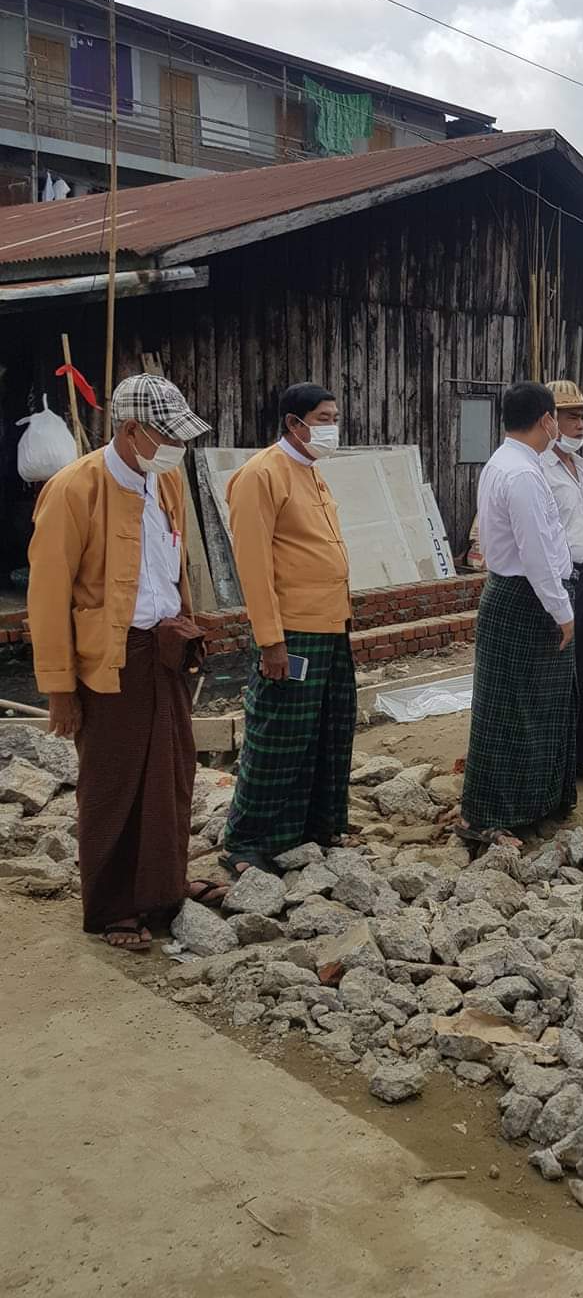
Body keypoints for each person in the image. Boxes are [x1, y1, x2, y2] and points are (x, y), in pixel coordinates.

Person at [27, 374, 214, 951]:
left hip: (164, 651)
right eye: (167, 435)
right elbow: (47, 595)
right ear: (131, 430)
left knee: (173, 776)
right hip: (110, 659)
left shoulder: (166, 480)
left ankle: (165, 887)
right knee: (113, 785)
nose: (176, 447)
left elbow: (174, 566)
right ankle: (113, 908)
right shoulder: (74, 489)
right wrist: (60, 689)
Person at [222, 384, 356, 874]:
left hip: (331, 625)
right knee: (280, 734)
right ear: (294, 423)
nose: (331, 427)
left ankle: (315, 826)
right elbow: (254, 565)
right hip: (292, 631)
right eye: (323, 418)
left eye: (335, 418)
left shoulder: (311, 472)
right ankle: (248, 842)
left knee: (327, 729)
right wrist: (270, 640)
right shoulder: (261, 474)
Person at [459, 381, 576, 849]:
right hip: (526, 598)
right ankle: (489, 815)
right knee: (512, 711)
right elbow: (537, 553)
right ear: (546, 420)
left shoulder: (503, 462)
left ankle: (532, 804)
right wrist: (562, 610)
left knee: (533, 707)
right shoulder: (522, 473)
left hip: (516, 595)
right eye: (558, 419)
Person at [542, 379, 583, 779]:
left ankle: (582, 754)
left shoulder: (577, 466)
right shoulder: (539, 469)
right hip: (560, 581)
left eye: (582, 416)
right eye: (571, 417)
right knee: (557, 672)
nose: (580, 424)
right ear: (548, 420)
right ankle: (554, 758)